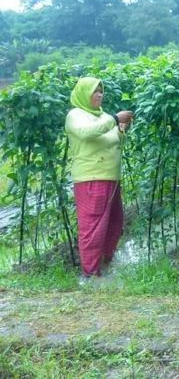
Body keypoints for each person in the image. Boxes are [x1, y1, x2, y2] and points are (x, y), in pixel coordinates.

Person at [65, 77, 134, 278]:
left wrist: (121, 130)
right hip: (91, 178)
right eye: (94, 91)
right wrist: (114, 119)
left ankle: (105, 265)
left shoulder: (102, 116)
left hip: (110, 178)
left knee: (114, 223)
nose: (99, 95)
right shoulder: (76, 115)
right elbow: (87, 134)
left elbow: (111, 141)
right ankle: (90, 273)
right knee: (92, 226)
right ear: (83, 94)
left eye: (101, 91)